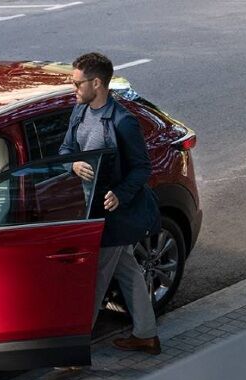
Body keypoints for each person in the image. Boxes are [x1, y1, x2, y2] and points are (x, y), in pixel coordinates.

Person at [59, 52, 161, 355]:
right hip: (90, 209)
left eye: (78, 83)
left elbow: (142, 168)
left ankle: (73, 352)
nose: (73, 88)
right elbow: (66, 149)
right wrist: (74, 164)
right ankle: (146, 335)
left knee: (96, 278)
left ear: (98, 83)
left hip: (116, 213)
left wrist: (120, 194)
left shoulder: (123, 122)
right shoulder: (79, 112)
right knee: (127, 271)